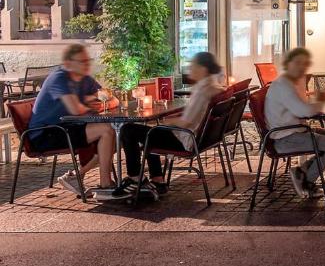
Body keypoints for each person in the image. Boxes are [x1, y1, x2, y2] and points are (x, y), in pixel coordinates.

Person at [113, 52, 226, 200]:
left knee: (128, 129)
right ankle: (157, 180)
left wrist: (165, 121)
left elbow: (186, 122)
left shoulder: (202, 91)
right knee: (150, 131)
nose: (190, 70)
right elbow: (192, 117)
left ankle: (135, 177)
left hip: (186, 140)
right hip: (201, 138)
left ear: (203, 69)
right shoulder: (215, 87)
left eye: (193, 66)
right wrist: (166, 121)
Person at [27, 43, 121, 200]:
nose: (86, 65)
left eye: (87, 61)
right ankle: (105, 185)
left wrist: (102, 103)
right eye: (81, 61)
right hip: (45, 133)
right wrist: (91, 99)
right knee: (106, 131)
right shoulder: (59, 78)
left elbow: (114, 99)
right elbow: (75, 109)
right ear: (68, 63)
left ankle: (76, 176)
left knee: (117, 134)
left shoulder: (86, 79)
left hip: (66, 127)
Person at [265, 47, 325, 198]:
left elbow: (302, 108)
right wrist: (321, 102)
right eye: (298, 63)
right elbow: (305, 111)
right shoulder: (283, 85)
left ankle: (303, 171)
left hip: (294, 131)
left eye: (305, 64)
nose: (302, 67)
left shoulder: (291, 82)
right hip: (285, 138)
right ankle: (306, 179)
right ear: (288, 63)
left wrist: (314, 103)